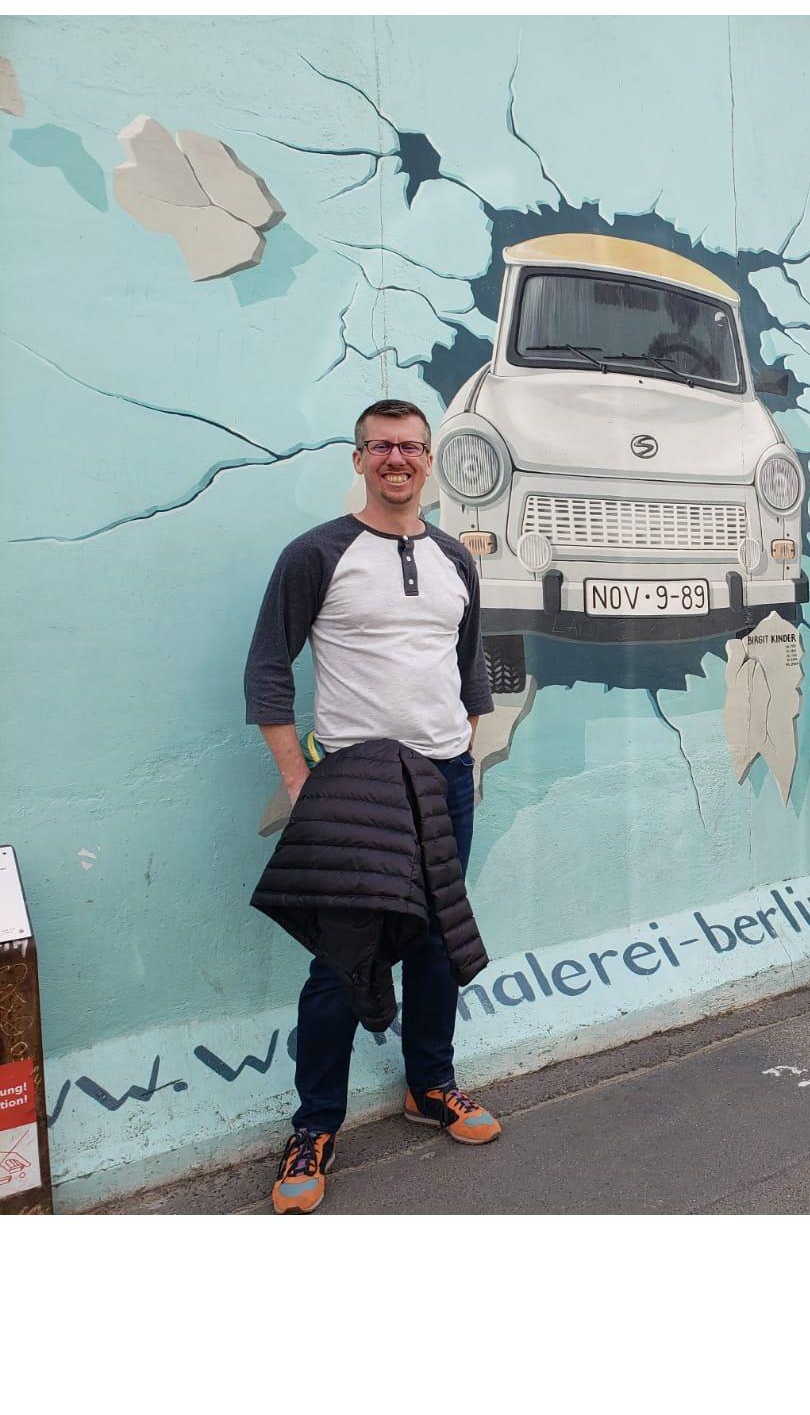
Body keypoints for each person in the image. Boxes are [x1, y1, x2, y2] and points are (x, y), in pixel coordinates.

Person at [244, 398, 500, 1214]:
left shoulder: (457, 558)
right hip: (355, 784)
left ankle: (430, 1085)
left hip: (444, 779)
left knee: (436, 943)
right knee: (341, 959)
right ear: (358, 458)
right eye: (382, 447)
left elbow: (467, 669)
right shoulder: (317, 553)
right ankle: (315, 1124)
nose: (398, 459)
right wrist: (299, 779)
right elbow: (266, 673)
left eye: (412, 447)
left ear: (429, 460)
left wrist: (460, 747)